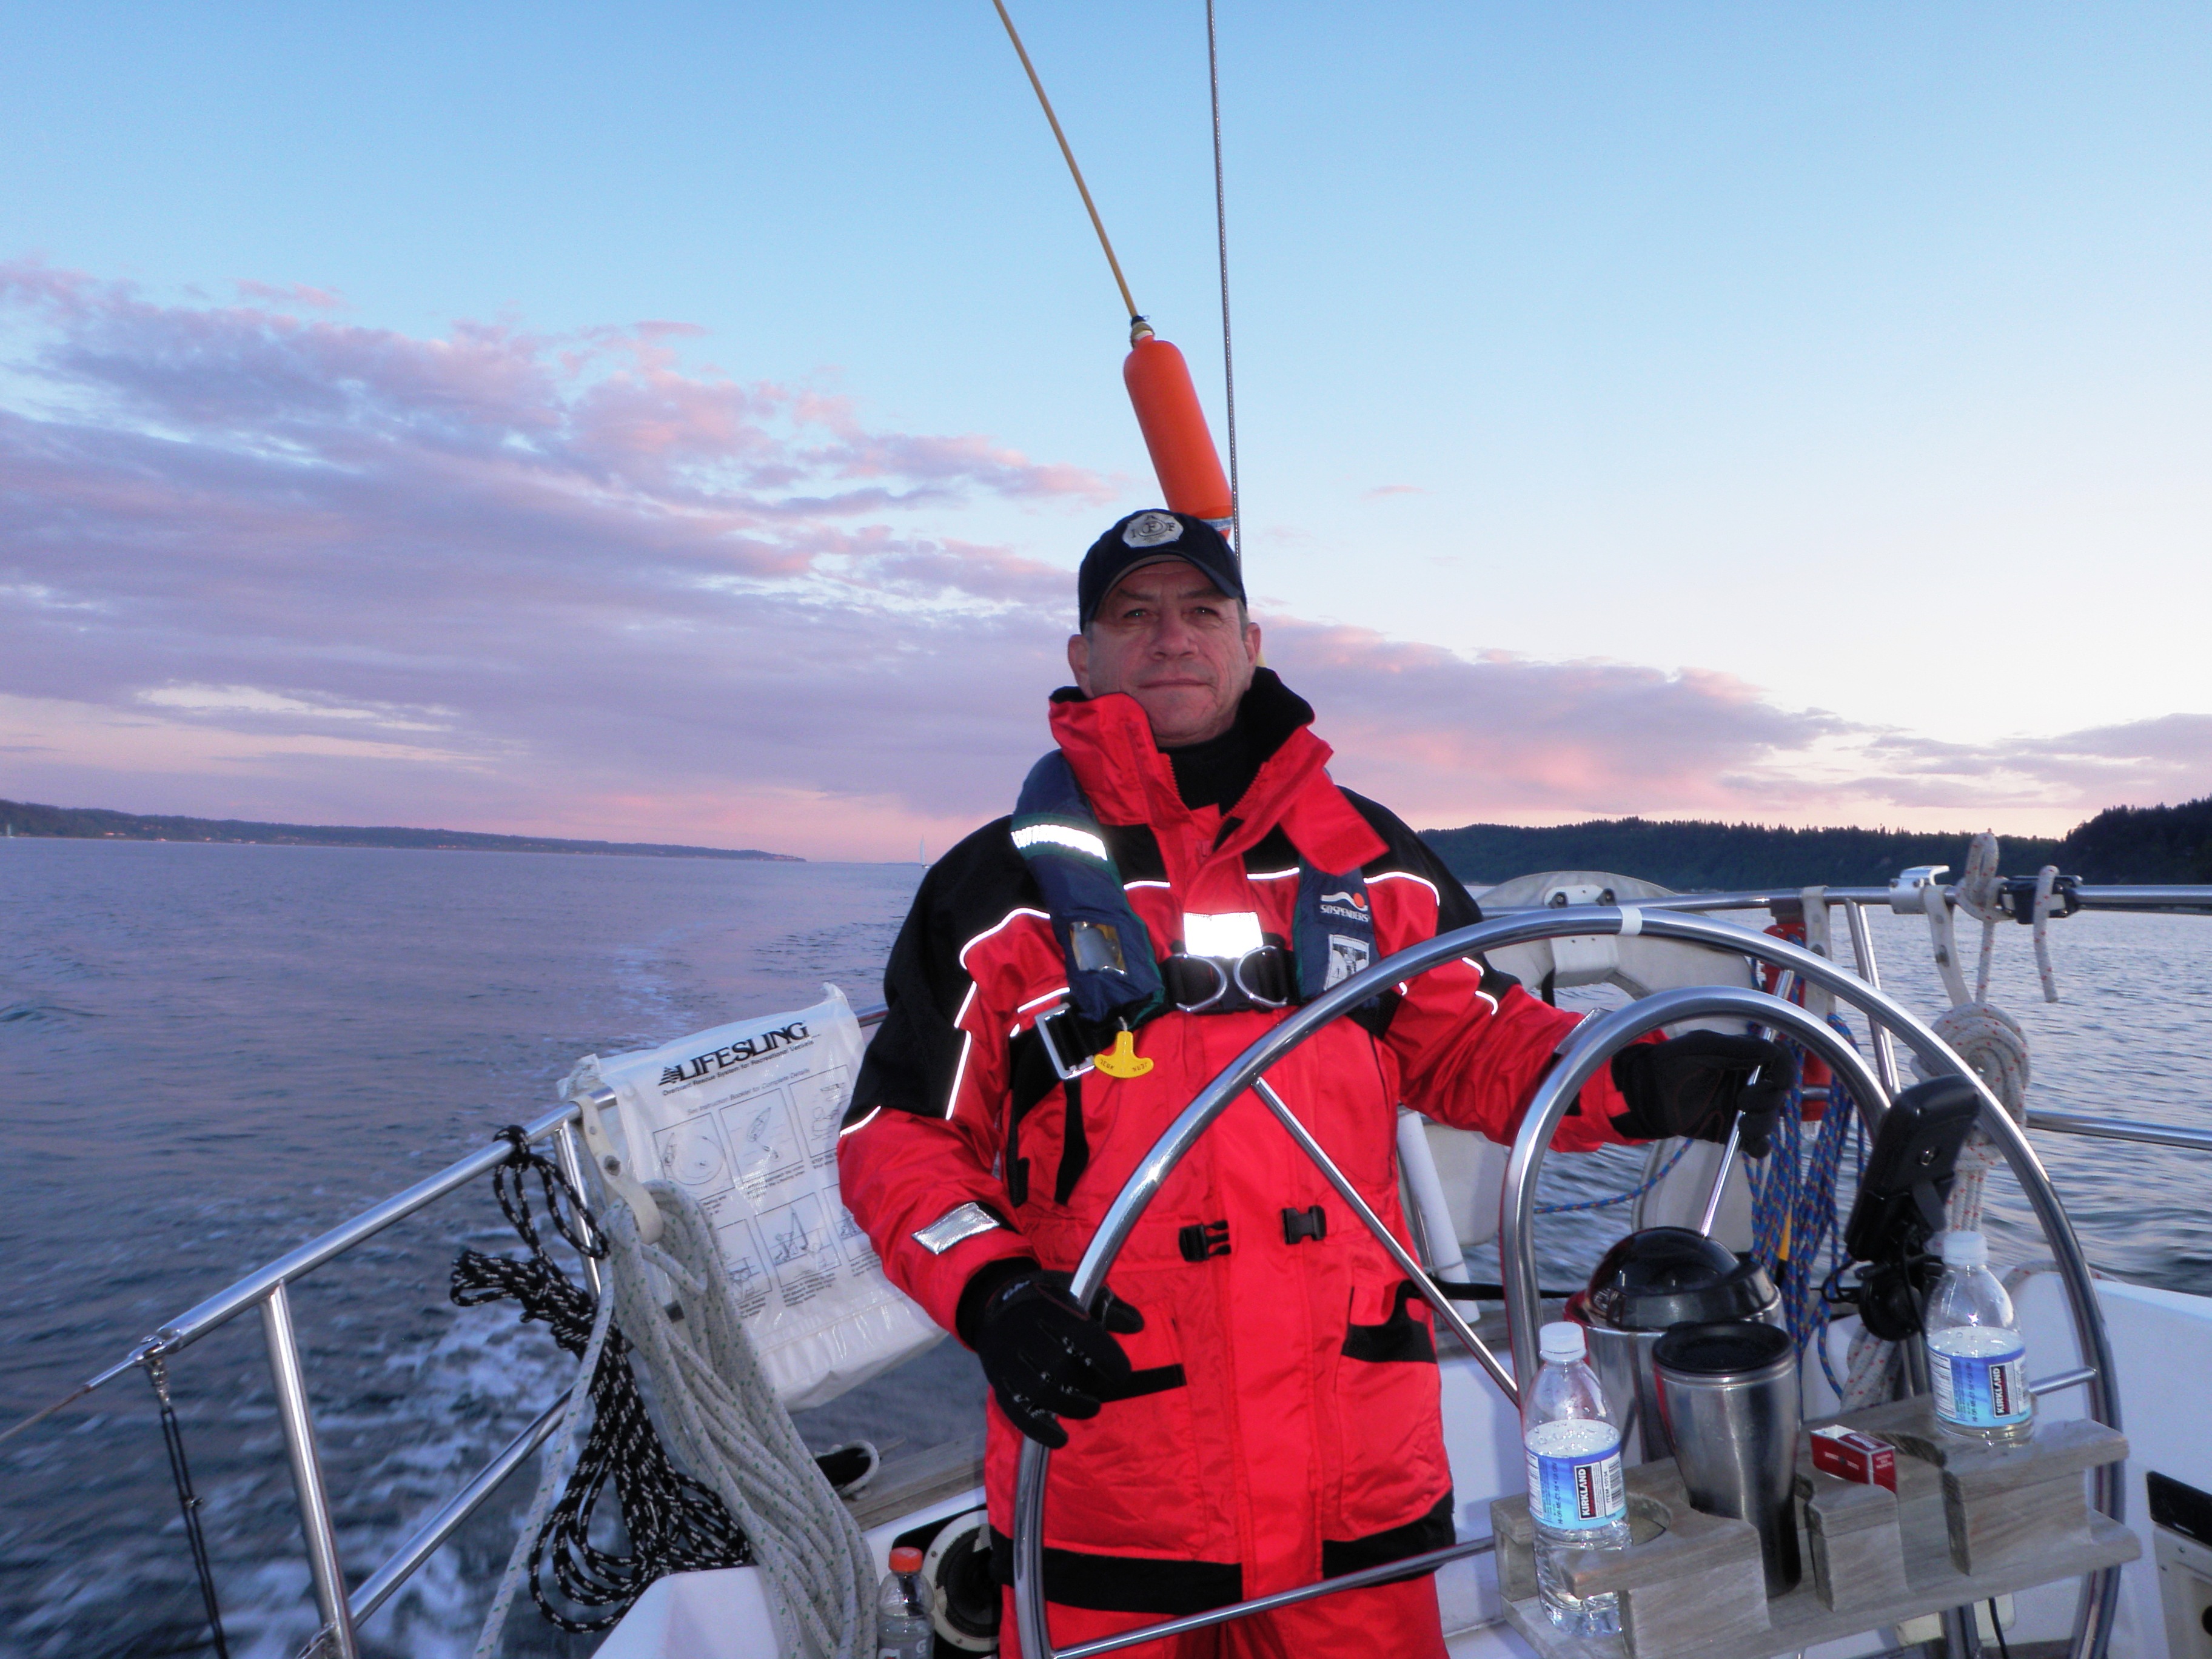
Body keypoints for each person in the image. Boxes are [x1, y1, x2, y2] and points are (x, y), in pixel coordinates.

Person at [837, 509, 1783, 1658]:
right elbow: (896, 1140)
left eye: (1201, 612)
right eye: (1134, 616)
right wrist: (994, 1296)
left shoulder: (1369, 860)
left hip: (1358, 1480)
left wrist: (1644, 1078)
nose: (1170, 638)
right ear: (1083, 657)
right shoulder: (995, 894)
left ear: (1250, 640)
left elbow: (1481, 1046)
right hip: (1112, 1478)